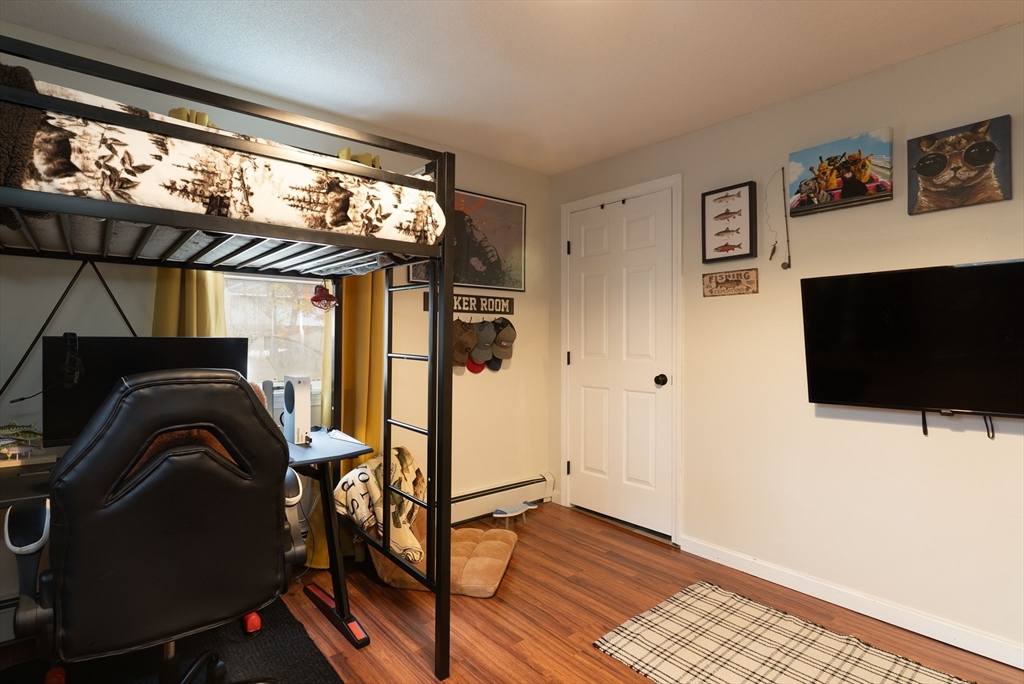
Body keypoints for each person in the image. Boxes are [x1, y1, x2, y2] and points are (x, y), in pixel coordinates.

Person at [452, 210, 501, 285]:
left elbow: (498, 282)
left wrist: (495, 264)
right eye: (468, 225)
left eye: (471, 224)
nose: (475, 229)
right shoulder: (455, 256)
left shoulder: (481, 251)